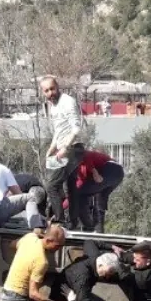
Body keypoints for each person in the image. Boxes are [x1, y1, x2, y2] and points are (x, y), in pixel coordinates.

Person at [1, 225, 69, 301]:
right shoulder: (42, 261)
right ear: (48, 240)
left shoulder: (29, 237)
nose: (58, 249)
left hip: (8, 295)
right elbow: (33, 293)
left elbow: (12, 244)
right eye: (58, 246)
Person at [41, 76, 85, 225]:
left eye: (52, 89)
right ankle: (73, 221)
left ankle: (59, 221)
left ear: (57, 87)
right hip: (64, 148)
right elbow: (59, 131)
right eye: (46, 91)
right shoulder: (52, 106)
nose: (50, 93)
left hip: (73, 149)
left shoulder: (67, 101)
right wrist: (51, 149)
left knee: (52, 185)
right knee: (70, 187)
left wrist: (65, 148)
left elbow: (76, 128)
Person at [71, 149, 125, 232]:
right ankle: (98, 230)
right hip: (119, 174)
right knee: (100, 199)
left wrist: (95, 172)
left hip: (110, 169)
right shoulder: (85, 161)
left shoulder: (83, 159)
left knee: (81, 194)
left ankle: (88, 226)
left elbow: (86, 157)